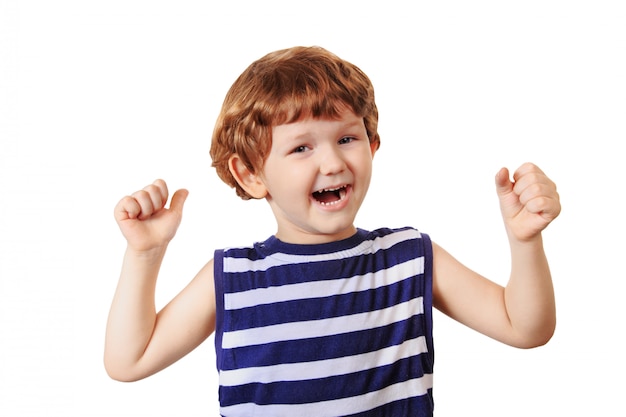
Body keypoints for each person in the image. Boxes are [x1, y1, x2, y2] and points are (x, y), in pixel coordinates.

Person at [104, 46, 560, 416]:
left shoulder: (408, 258)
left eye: (347, 138)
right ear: (250, 176)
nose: (333, 162)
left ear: (372, 144)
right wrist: (144, 257)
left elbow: (525, 328)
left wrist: (525, 242)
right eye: (301, 147)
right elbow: (129, 361)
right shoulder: (232, 278)